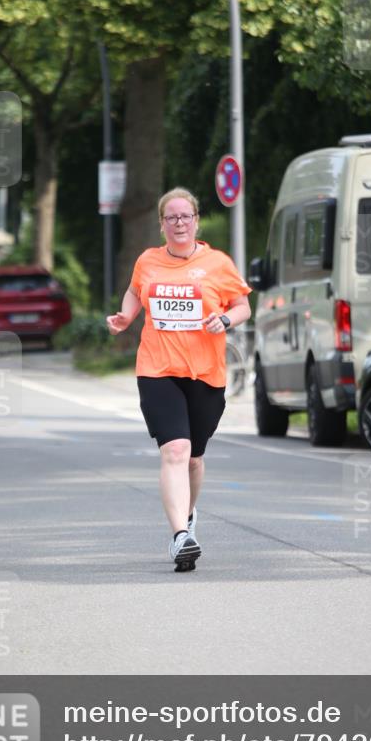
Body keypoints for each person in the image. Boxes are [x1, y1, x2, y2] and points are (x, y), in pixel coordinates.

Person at [106, 187, 251, 572]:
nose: (179, 223)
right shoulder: (148, 261)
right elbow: (135, 292)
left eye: (185, 216)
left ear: (196, 220)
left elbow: (242, 305)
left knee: (194, 458)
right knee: (175, 450)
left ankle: (186, 518)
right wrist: (125, 317)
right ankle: (179, 537)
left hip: (205, 373)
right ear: (162, 224)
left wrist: (224, 319)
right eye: (172, 217)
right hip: (157, 368)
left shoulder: (217, 263)